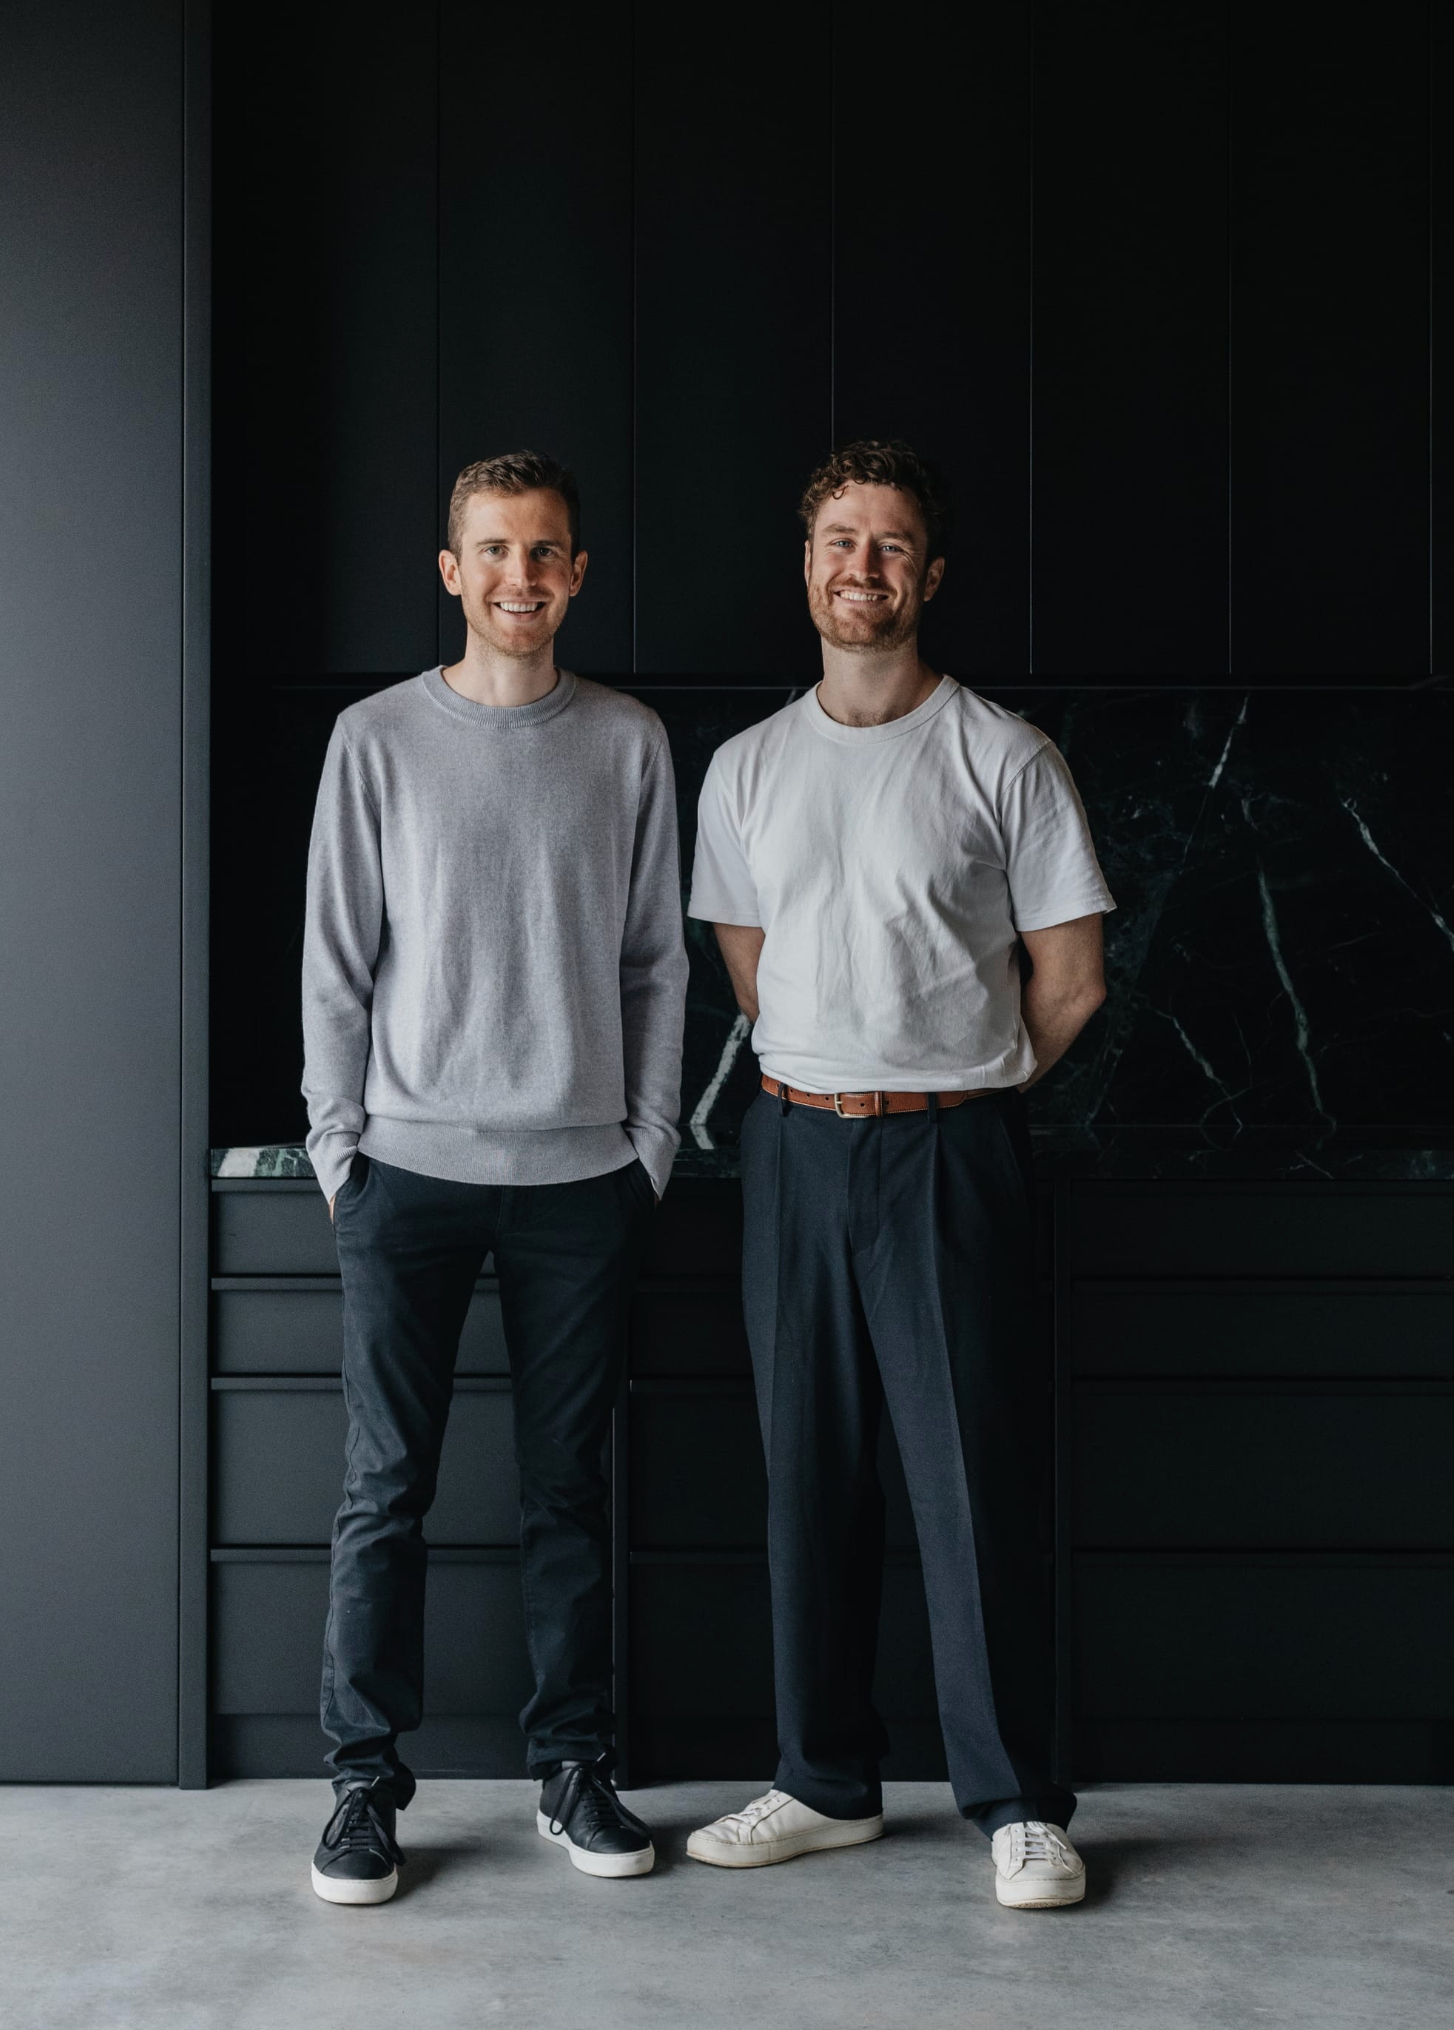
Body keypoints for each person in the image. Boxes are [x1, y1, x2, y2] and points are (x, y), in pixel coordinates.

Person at [685, 439, 1113, 1910]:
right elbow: (751, 972)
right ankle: (824, 1781)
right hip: (794, 1143)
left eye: (889, 544)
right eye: (838, 542)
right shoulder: (747, 767)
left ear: (929, 574)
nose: (860, 567)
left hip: (951, 1148)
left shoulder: (1003, 755)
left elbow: (1070, 979)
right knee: (807, 1473)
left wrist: (953, 1088)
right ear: (805, 568)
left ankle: (1016, 1805)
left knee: (970, 1477)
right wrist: (843, 1080)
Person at [301, 450, 688, 1903]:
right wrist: (339, 1149)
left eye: (544, 552)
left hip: (583, 1178)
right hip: (404, 1169)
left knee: (568, 1491)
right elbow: (334, 960)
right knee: (383, 1488)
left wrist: (649, 1144)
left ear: (575, 574)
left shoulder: (630, 742)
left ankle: (572, 1768)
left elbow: (656, 962)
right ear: (451, 570)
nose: (519, 576)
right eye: (494, 551)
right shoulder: (375, 739)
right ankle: (360, 1784)